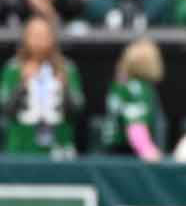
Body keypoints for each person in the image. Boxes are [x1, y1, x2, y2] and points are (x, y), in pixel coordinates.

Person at [0, 16, 84, 157]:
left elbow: (77, 110)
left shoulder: (66, 68)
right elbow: (5, 109)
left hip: (60, 147)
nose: (39, 40)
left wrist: (64, 89)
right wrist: (22, 85)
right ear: (25, 38)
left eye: (44, 35)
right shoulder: (13, 68)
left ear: (53, 38)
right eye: (35, 35)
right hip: (21, 146)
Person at [101, 37, 166, 161]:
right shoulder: (137, 88)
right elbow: (135, 126)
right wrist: (148, 151)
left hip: (110, 152)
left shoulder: (119, 85)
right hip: (128, 156)